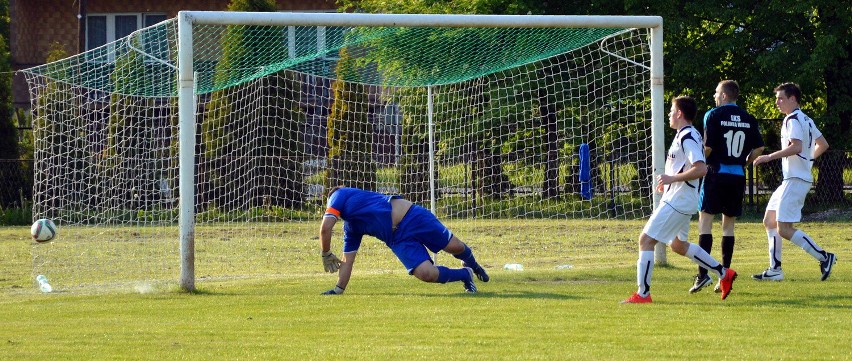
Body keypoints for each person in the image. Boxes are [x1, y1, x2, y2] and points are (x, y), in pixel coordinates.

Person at [622, 95, 738, 304]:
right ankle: (724, 273)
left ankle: (643, 294)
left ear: (679, 113)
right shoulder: (683, 135)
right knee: (677, 245)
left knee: (646, 240)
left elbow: (701, 168)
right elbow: (684, 166)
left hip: (680, 198)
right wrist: (668, 181)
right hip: (679, 196)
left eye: (671, 111)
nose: (668, 114)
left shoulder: (687, 136)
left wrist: (672, 179)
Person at [318, 186, 489, 295]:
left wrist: (325, 253)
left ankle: (473, 265)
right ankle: (466, 274)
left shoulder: (339, 194)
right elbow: (348, 260)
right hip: (398, 239)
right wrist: (338, 290)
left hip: (411, 216)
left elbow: (325, 228)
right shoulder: (351, 228)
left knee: (455, 246)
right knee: (426, 274)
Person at [751, 82, 836, 281]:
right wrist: (809, 160)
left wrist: (769, 157)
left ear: (793, 99)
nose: (777, 102)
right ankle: (775, 270)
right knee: (769, 220)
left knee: (784, 228)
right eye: (776, 98)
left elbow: (796, 147)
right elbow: (822, 144)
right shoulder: (805, 118)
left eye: (781, 98)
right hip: (793, 179)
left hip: (795, 180)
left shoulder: (792, 119)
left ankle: (824, 257)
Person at [690, 80, 764, 294]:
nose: (714, 96)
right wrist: (744, 162)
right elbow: (759, 147)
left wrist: (697, 165)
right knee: (728, 226)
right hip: (737, 175)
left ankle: (703, 275)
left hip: (716, 173)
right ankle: (725, 276)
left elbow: (709, 147)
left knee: (705, 222)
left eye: (716, 93)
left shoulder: (713, 115)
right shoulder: (748, 118)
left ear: (723, 96)